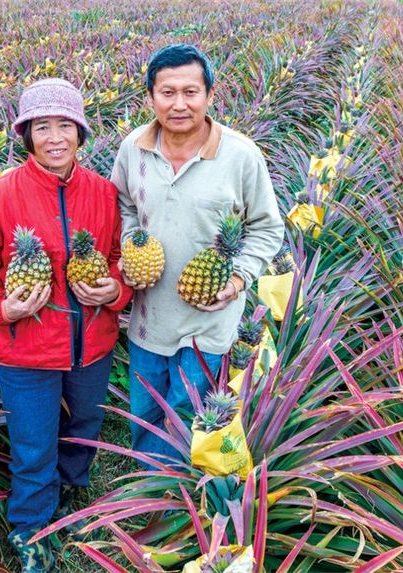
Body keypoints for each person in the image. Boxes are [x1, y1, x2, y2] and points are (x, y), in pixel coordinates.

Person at [0, 78, 132, 573]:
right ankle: (30, 524)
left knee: (84, 426)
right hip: (25, 347)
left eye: (65, 126)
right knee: (33, 441)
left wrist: (116, 290)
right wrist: (1, 308)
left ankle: (71, 493)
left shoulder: (102, 192)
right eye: (42, 127)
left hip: (93, 342)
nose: (55, 137)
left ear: (80, 131)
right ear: (26, 135)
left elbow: (121, 257)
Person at [111, 44, 284, 464]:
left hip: (209, 320)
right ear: (150, 96)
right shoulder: (133, 148)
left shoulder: (241, 156)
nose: (179, 104)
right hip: (149, 317)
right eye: (167, 92)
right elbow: (122, 206)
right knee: (146, 410)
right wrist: (134, 246)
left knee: (188, 410)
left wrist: (239, 276)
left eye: (191, 92)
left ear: (209, 94)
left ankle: (173, 494)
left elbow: (267, 227)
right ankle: (144, 483)